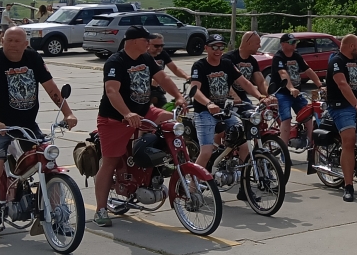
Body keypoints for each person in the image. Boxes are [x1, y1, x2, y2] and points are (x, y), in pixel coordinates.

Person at [0, 27, 78, 248]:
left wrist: (67, 113)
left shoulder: (33, 58)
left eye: (17, 40)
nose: (12, 44)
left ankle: (59, 217)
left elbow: (51, 87)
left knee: (48, 162)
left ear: (25, 43)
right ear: (2, 40)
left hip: (27, 125)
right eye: (9, 40)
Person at [93, 25, 188, 227]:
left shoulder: (146, 58)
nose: (149, 43)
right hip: (115, 119)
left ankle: (167, 167)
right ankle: (101, 209)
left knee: (171, 122)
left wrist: (178, 97)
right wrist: (127, 113)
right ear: (134, 41)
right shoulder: (116, 61)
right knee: (110, 162)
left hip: (144, 111)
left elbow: (163, 78)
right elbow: (111, 91)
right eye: (146, 40)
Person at [189, 34, 265, 197]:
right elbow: (195, 90)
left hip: (226, 111)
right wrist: (208, 104)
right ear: (206, 48)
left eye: (221, 47)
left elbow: (244, 82)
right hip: (204, 112)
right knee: (206, 152)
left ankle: (244, 188)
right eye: (214, 47)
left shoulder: (227, 64)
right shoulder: (199, 66)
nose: (218, 50)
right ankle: (191, 190)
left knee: (244, 146)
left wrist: (260, 96)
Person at [326, 34, 357, 202]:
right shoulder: (336, 61)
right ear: (351, 46)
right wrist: (356, 105)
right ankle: (348, 186)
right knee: (349, 140)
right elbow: (342, 84)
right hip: (341, 106)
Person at [267, 33, 322, 146]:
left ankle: (309, 143)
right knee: (286, 119)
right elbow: (283, 73)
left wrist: (320, 85)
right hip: (282, 93)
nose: (294, 44)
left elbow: (308, 70)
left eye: (295, 42)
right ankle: (283, 149)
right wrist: (291, 88)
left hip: (297, 93)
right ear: (283, 44)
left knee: (308, 116)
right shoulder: (278, 57)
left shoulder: (297, 56)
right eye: (291, 42)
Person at [223, 31, 270, 104]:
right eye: (257, 43)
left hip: (242, 98)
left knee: (252, 110)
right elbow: (223, 82)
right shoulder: (228, 59)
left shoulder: (252, 61)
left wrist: (268, 96)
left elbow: (261, 82)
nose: (260, 46)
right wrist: (233, 95)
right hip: (226, 99)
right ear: (249, 43)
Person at [146, 33, 188, 108]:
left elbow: (175, 69)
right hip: (142, 90)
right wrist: (150, 80)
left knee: (166, 109)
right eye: (156, 46)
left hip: (157, 89)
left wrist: (187, 76)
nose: (159, 48)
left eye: (162, 45)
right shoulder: (142, 56)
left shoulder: (162, 54)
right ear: (148, 44)